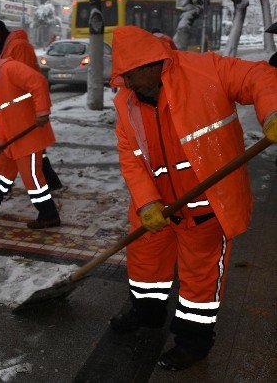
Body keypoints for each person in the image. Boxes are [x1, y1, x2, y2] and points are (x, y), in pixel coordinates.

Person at [109, 26, 277, 371]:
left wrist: (273, 112)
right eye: (122, 76)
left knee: (199, 281)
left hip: (205, 207)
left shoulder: (206, 70)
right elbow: (130, 155)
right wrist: (145, 202)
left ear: (152, 64)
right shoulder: (127, 100)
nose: (127, 83)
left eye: (131, 75)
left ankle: (193, 341)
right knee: (144, 264)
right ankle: (147, 311)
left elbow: (261, 75)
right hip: (156, 206)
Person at [0, 45, 61, 229]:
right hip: (10, 137)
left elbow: (38, 82)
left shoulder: (9, 69)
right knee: (1, 170)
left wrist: (42, 111)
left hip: (29, 135)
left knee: (32, 177)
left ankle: (49, 214)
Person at [0, 13, 64, 198]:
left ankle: (46, 189)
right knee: (24, 154)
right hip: (13, 112)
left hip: (25, 111)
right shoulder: (3, 49)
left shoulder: (19, 47)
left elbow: (22, 82)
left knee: (31, 153)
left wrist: (39, 111)